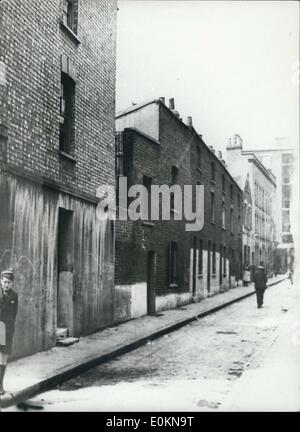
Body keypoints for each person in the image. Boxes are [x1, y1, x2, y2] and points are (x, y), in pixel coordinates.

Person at [0, 269, 18, 396]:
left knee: (3, 357)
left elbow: (14, 314)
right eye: (5, 282)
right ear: (1, 281)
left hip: (6, 330)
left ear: (12, 283)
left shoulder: (14, 296)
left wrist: (10, 329)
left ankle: (0, 384)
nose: (7, 285)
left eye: (9, 283)